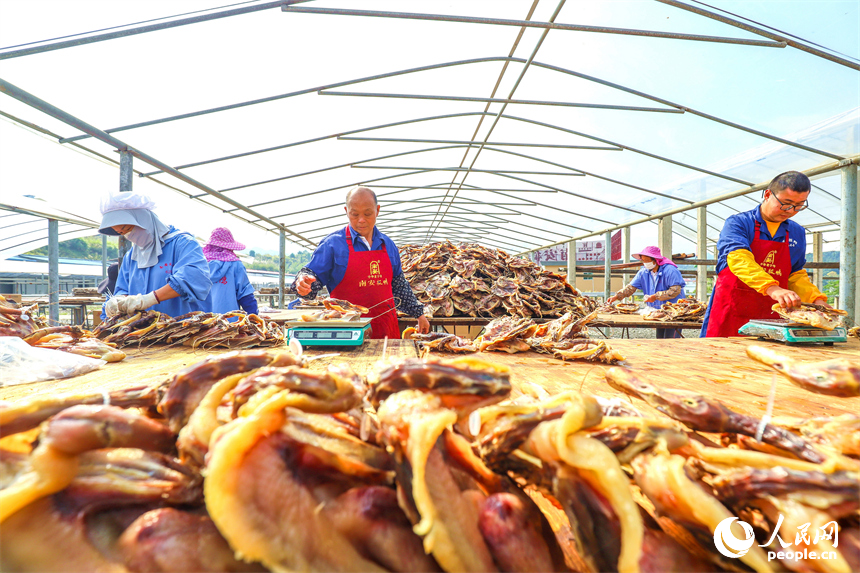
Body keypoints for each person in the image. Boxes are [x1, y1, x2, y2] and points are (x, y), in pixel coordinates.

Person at [291, 186, 431, 339]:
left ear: (377, 210)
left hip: (386, 332)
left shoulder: (388, 245)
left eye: (368, 213)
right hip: (347, 333)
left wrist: (419, 315)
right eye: (355, 214)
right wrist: (304, 283)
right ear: (346, 211)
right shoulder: (332, 245)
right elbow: (312, 275)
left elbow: (399, 285)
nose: (361, 220)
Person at [701, 171, 829, 337]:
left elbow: (795, 274)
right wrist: (773, 288)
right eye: (786, 203)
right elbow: (739, 259)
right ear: (768, 194)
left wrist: (815, 300)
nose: (790, 211)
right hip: (731, 310)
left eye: (799, 206)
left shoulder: (797, 232)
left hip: (773, 315)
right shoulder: (738, 223)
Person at [98, 190, 211, 319]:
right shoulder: (131, 256)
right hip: (145, 332)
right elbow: (123, 288)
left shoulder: (183, 244)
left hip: (184, 329)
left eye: (128, 229)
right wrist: (118, 301)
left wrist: (149, 299)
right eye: (121, 233)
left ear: (143, 220)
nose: (128, 236)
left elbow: (191, 278)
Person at [606, 246, 687, 339]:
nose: (645, 263)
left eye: (647, 260)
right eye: (643, 260)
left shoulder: (670, 270)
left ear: (655, 260)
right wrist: (616, 296)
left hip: (674, 312)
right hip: (658, 312)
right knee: (660, 339)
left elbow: (675, 290)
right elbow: (631, 287)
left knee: (671, 340)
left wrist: (656, 297)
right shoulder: (643, 272)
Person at [202, 227, 258, 315]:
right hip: (229, 321)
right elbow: (246, 296)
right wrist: (254, 316)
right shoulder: (235, 265)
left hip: (201, 321)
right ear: (229, 247)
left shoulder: (200, 265)